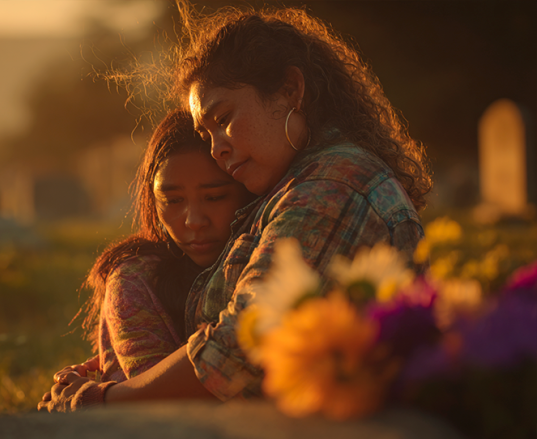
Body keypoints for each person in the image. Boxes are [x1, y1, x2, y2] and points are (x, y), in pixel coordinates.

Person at [39, 5, 431, 412]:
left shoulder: (333, 186)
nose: (216, 148)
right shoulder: (297, 182)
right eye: (205, 133)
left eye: (223, 118)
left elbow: (239, 347)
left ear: (290, 91)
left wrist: (105, 398)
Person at [68, 109, 254, 387]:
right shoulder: (136, 280)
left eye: (214, 197)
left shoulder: (266, 252)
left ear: (247, 189)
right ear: (152, 201)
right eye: (173, 200)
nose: (194, 221)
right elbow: (157, 395)